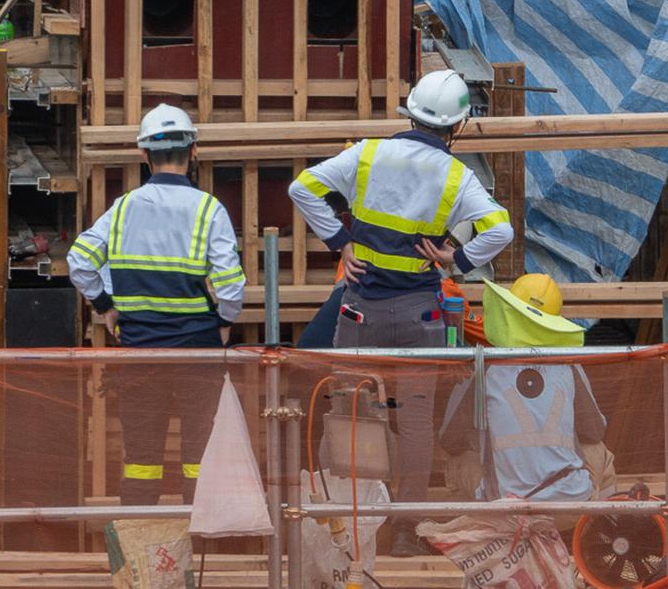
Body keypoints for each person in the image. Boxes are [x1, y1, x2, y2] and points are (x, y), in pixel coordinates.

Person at [289, 70, 516, 513]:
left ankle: (351, 516)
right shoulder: (457, 175)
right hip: (420, 316)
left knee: (351, 414)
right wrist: (458, 260)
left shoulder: (367, 154)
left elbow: (303, 189)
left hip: (360, 310)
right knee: (414, 422)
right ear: (458, 126)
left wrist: (341, 242)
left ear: (409, 112)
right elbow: (500, 230)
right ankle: (409, 526)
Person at [67, 104, 244, 506]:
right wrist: (223, 322)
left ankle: (140, 548)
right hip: (198, 352)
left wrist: (105, 307)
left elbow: (79, 261)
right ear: (193, 151)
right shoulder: (208, 210)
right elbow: (231, 285)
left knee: (142, 458)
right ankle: (202, 549)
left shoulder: (124, 208)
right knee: (199, 455)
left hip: (140, 351)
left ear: (144, 156)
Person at [439, 275, 607, 503]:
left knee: (457, 462)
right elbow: (594, 431)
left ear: (510, 309)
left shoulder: (486, 366)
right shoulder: (569, 364)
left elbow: (450, 438)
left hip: (504, 504)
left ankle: (485, 527)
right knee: (600, 452)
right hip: (571, 501)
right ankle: (601, 529)